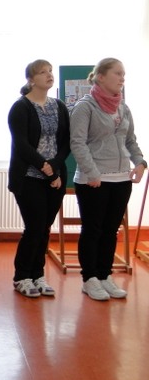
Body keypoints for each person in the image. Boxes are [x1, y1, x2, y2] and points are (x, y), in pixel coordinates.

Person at [70, 58, 146, 300]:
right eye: (117, 73)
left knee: (111, 230)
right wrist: (92, 172)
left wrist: (140, 162)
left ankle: (105, 275)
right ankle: (89, 279)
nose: (122, 78)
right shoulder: (85, 107)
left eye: (124, 74)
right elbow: (77, 143)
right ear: (100, 77)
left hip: (121, 178)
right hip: (93, 180)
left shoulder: (123, 107)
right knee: (93, 229)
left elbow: (130, 140)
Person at [7, 60, 70, 298]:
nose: (49, 75)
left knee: (44, 228)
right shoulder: (20, 107)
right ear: (31, 80)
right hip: (28, 177)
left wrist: (55, 170)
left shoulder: (59, 106)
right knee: (34, 227)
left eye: (50, 71)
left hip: (55, 177)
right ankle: (21, 276)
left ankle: (38, 274)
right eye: (43, 72)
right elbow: (22, 145)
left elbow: (66, 142)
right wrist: (46, 169)